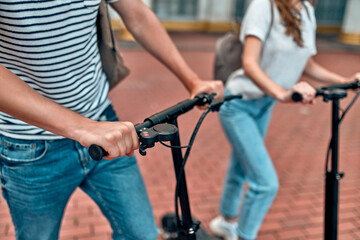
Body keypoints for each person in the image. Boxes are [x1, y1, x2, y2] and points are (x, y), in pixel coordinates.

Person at [0, 1, 223, 239]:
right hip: (30, 146)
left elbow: (138, 15)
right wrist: (82, 127)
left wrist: (192, 81)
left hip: (103, 123)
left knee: (142, 235)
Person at [209, 0, 360, 240]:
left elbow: (307, 63)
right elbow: (249, 63)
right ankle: (242, 235)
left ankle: (225, 223)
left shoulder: (307, 11)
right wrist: (281, 93)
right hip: (238, 103)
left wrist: (344, 80)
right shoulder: (263, 6)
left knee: (241, 164)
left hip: (265, 103)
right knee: (265, 183)